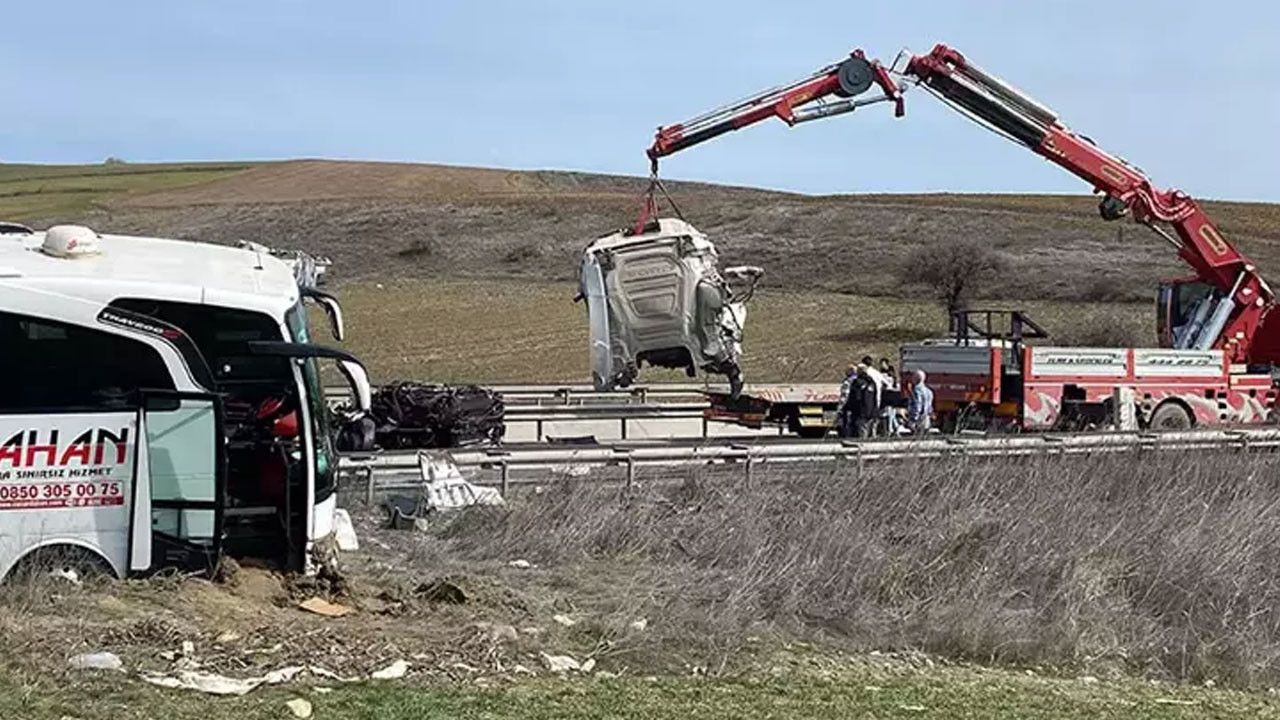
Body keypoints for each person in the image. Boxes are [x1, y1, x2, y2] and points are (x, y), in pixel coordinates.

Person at [852, 365, 879, 438]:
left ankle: (863, 447)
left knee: (863, 432)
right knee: (872, 434)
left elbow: (855, 398)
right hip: (872, 411)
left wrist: (850, 408)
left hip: (862, 411)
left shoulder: (857, 382)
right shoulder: (872, 382)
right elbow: (875, 397)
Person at [907, 369, 935, 434]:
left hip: (918, 420)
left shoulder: (916, 391)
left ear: (916, 379)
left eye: (913, 377)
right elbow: (930, 407)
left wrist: (914, 419)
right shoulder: (929, 391)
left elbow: (917, 405)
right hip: (926, 419)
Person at [836, 364, 857, 437]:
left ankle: (847, 437)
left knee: (847, 425)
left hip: (847, 407)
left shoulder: (847, 382)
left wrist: (840, 408)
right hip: (855, 407)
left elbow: (844, 396)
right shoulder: (858, 380)